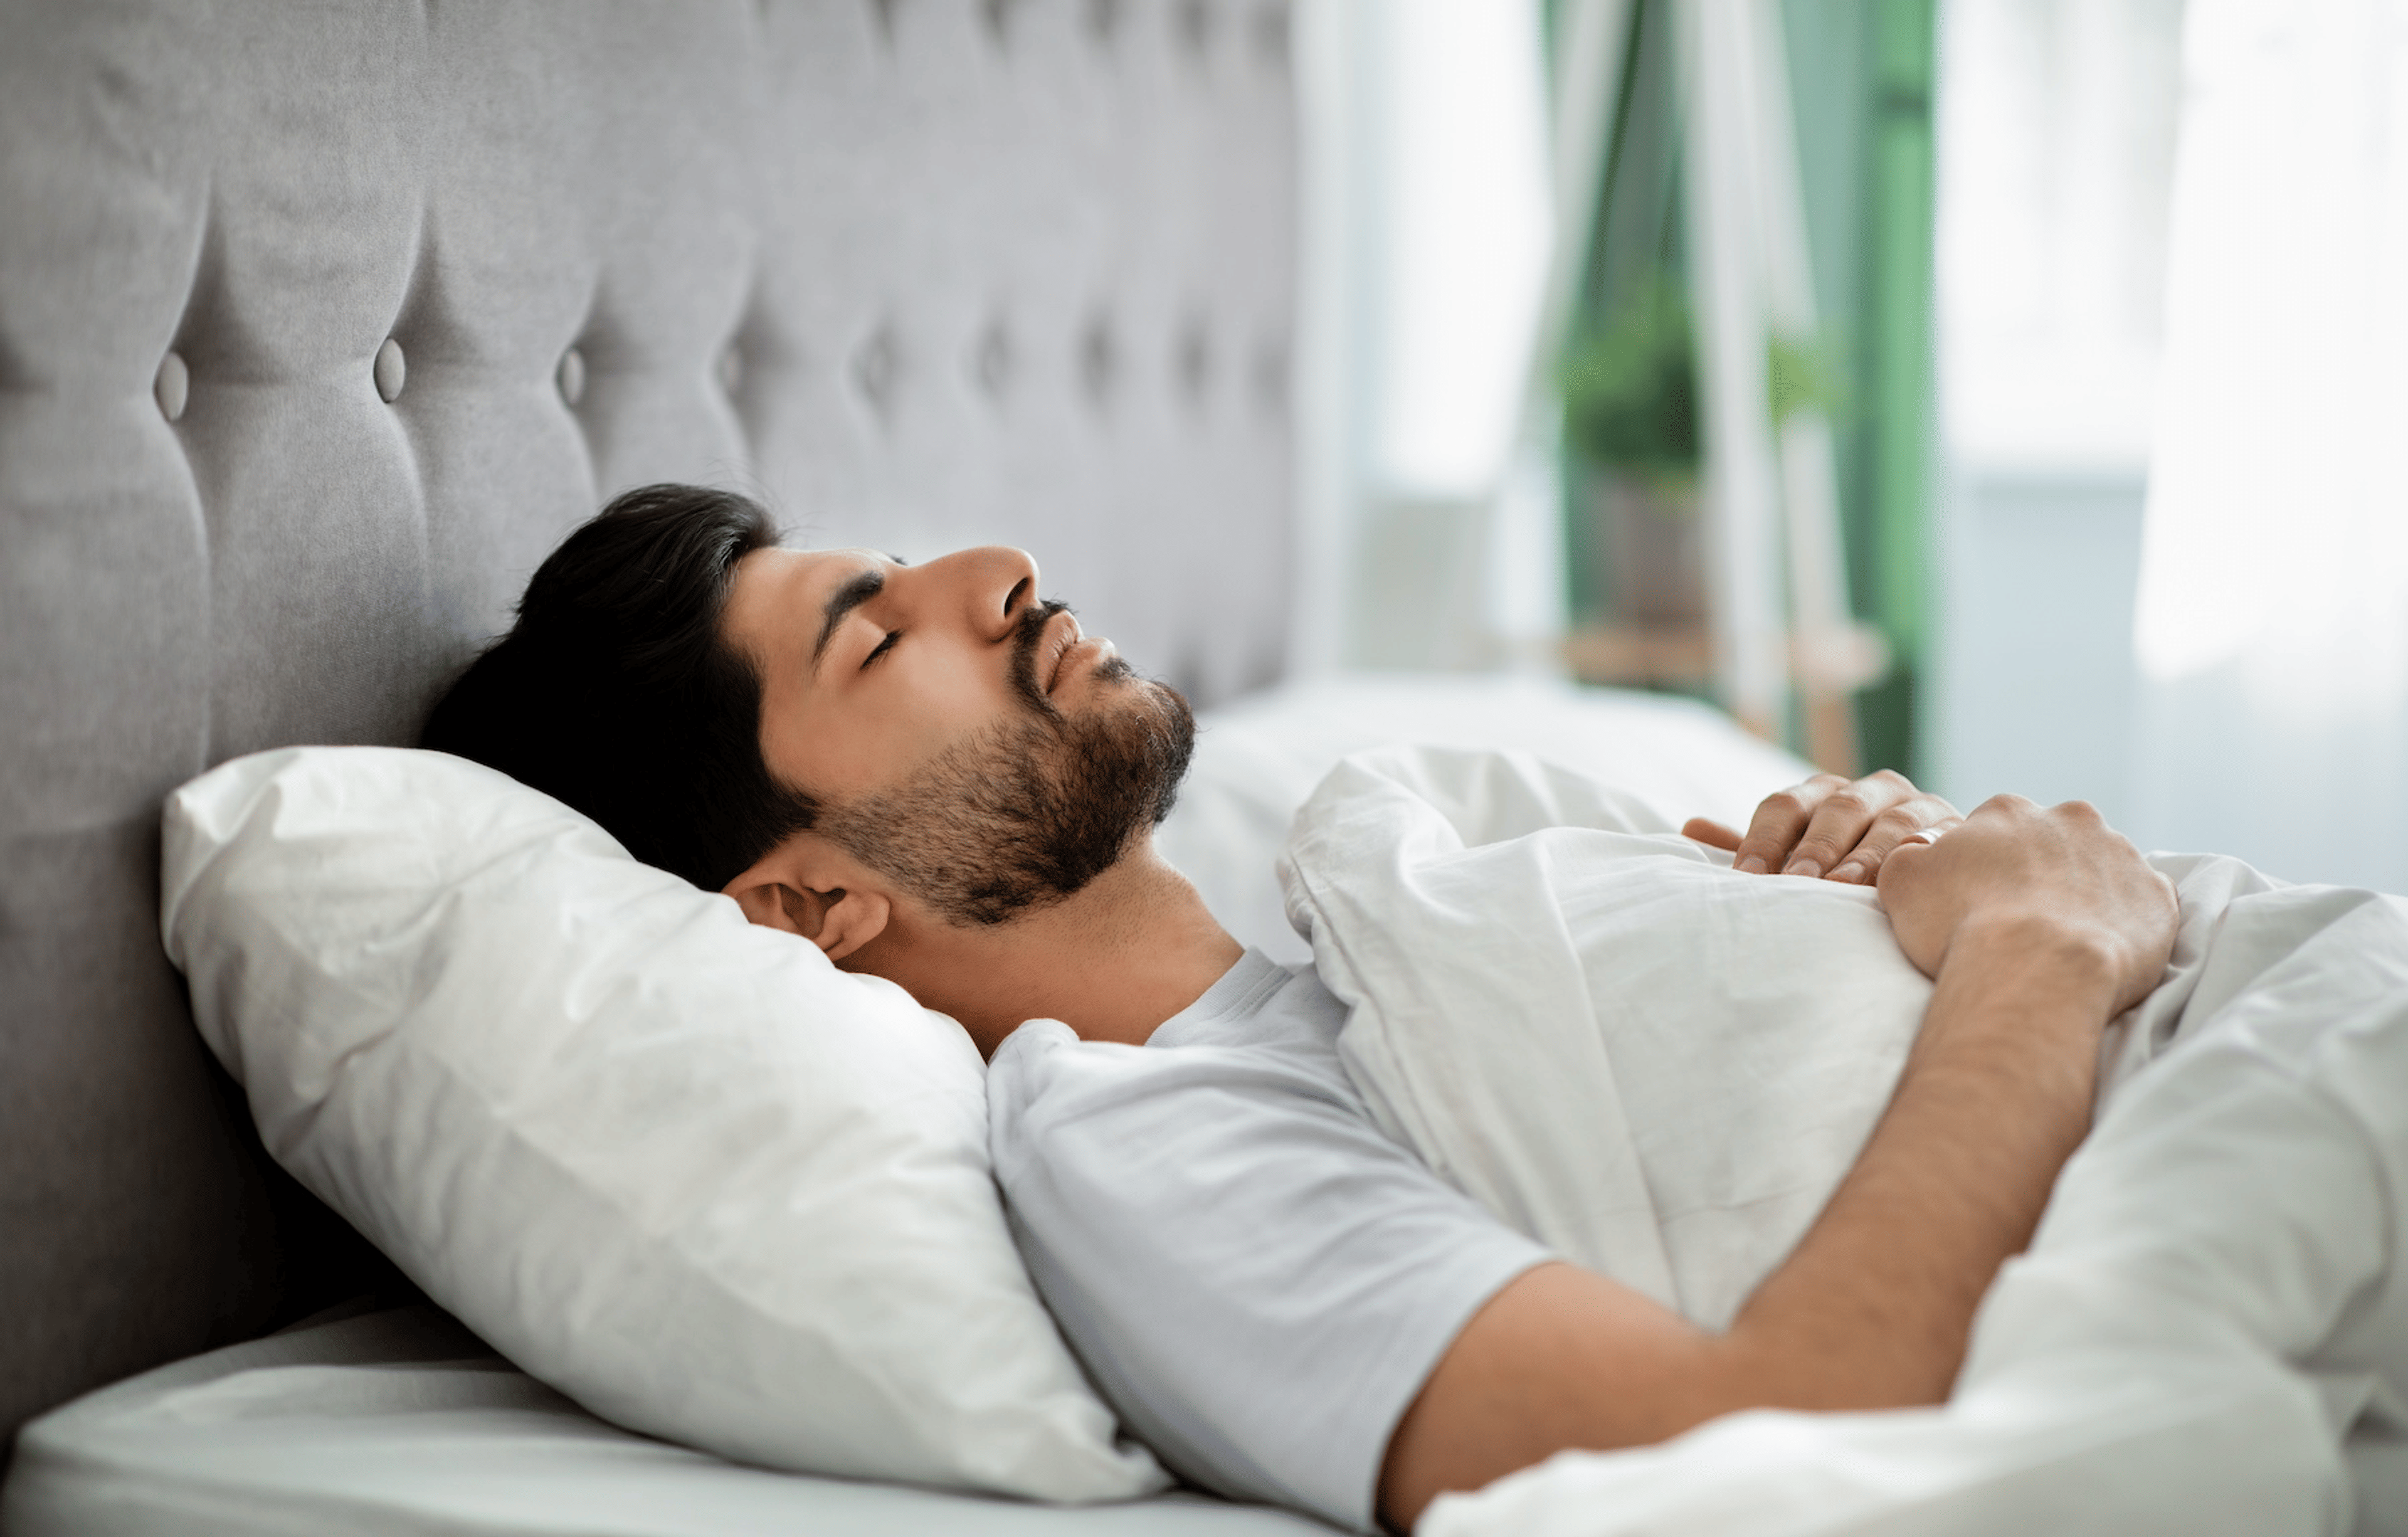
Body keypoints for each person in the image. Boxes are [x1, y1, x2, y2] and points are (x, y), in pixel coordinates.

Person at [424, 484, 2178, 1532]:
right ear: (809, 902)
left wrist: (1860, 892)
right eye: (879, 644)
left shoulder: (1359, 949)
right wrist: (2040, 956)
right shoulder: (1149, 1157)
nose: (1000, 571)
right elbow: (1775, 1449)